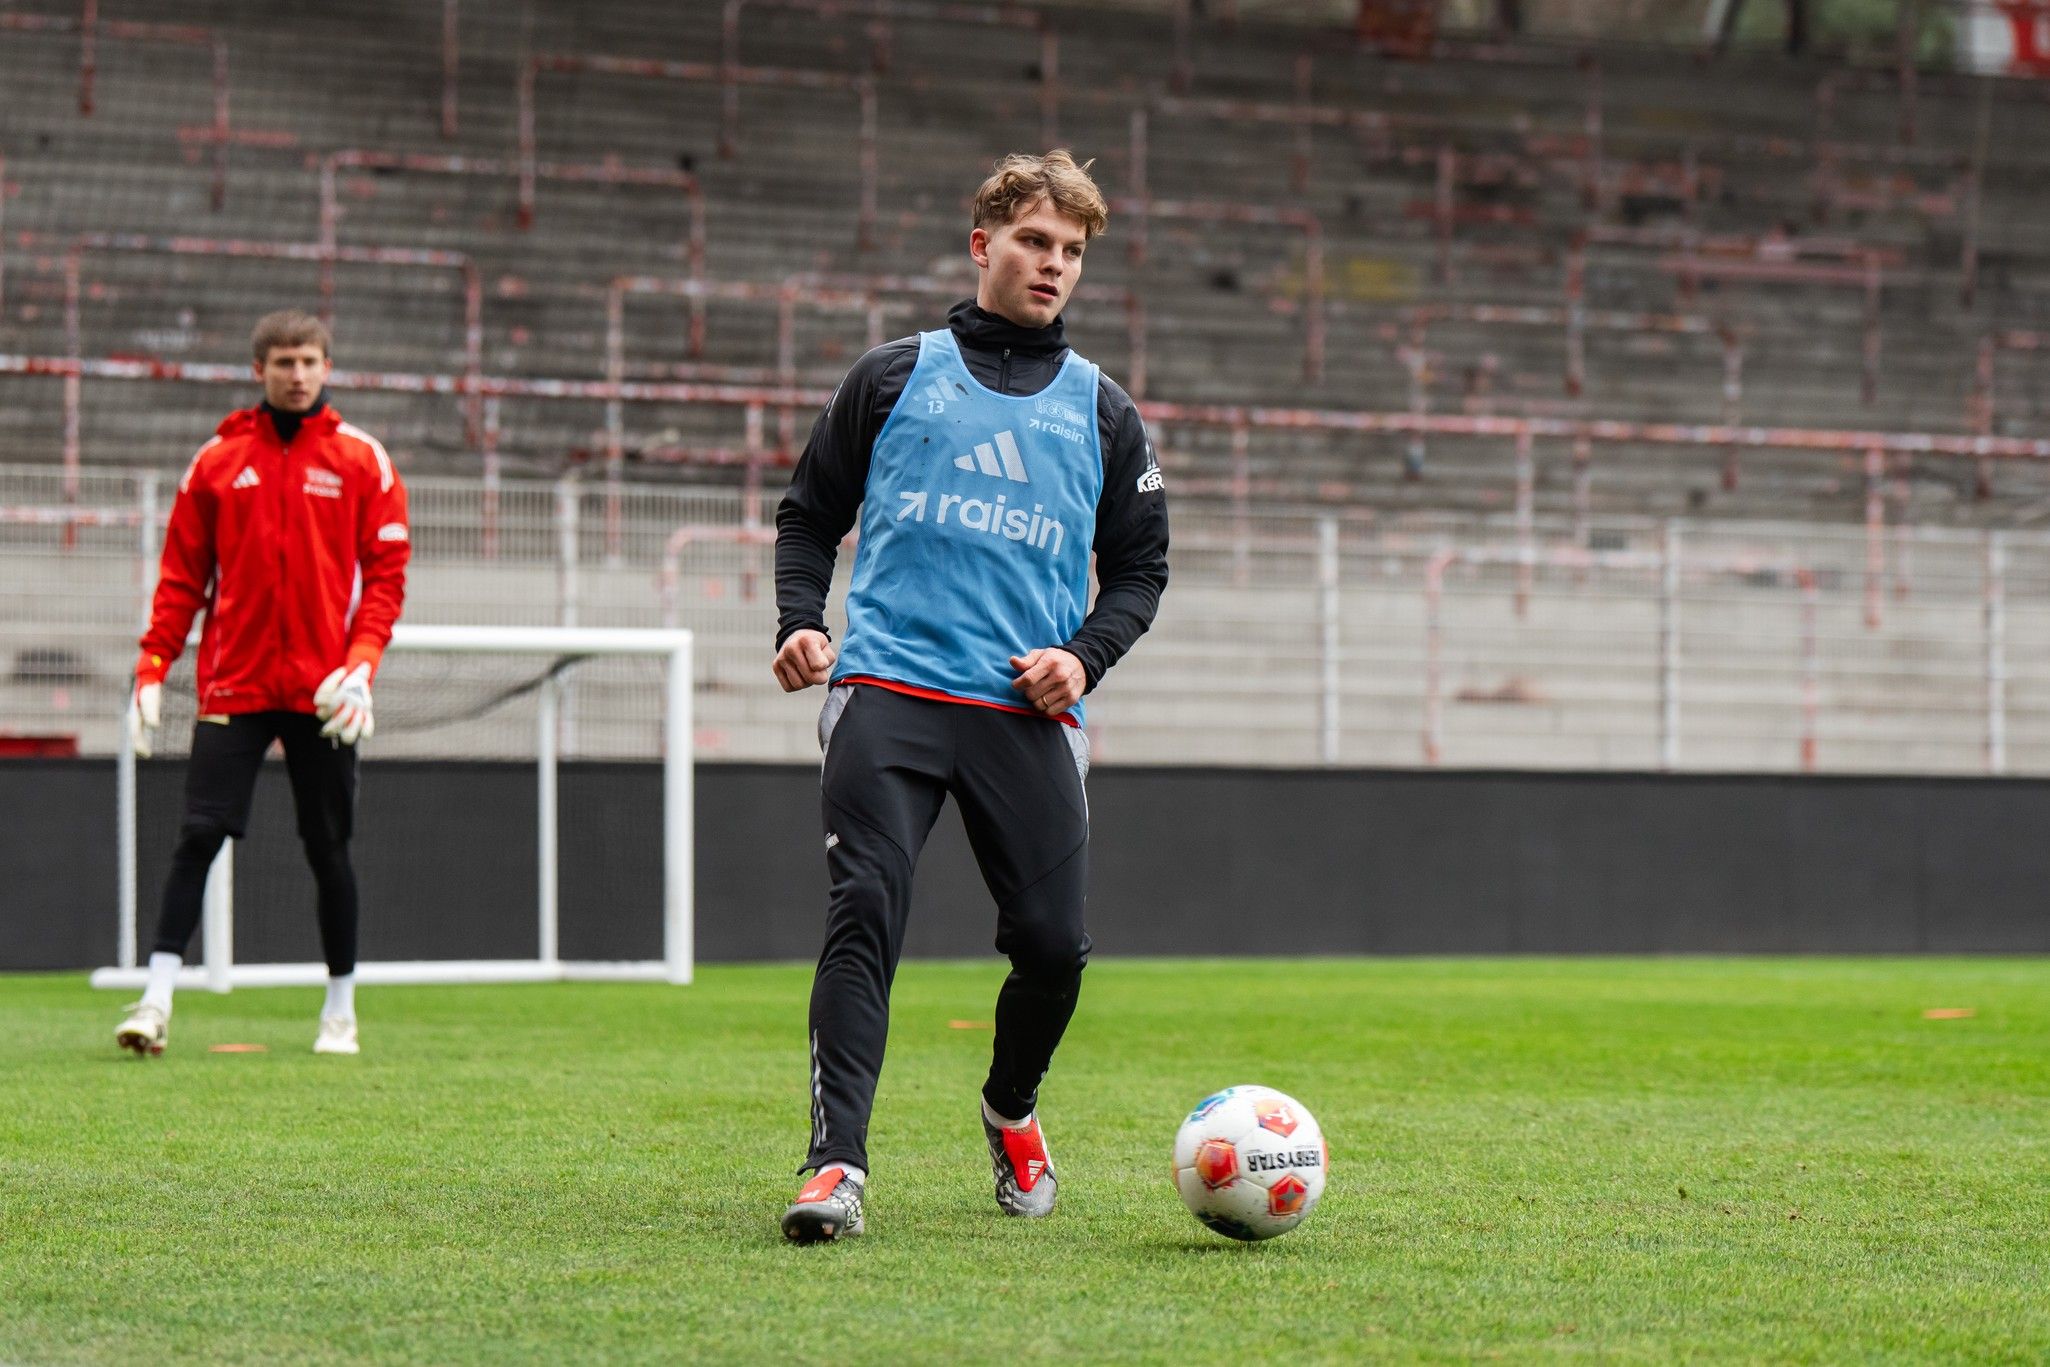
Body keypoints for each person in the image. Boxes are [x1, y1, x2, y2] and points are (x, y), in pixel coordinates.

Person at [771, 150, 1170, 1242]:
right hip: (889, 692)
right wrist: (800, 617)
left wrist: (1082, 658)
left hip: (1023, 717)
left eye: (1072, 251)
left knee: (1051, 947)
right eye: (1035, 241)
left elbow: (1140, 569)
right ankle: (833, 1165)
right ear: (983, 241)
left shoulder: (1104, 413)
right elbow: (807, 515)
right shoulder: (893, 376)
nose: (1053, 265)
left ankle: (1009, 1105)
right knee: (865, 918)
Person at [115, 310, 409, 1058]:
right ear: (260, 370)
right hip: (234, 685)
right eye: (284, 361)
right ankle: (153, 1000)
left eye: (310, 359)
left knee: (328, 845)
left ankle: (339, 1009)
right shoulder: (216, 461)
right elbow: (181, 577)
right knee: (198, 836)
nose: (298, 373)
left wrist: (362, 664)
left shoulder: (361, 459)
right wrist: (154, 663)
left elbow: (385, 577)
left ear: (327, 365)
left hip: (325, 691)